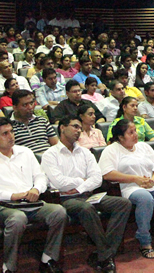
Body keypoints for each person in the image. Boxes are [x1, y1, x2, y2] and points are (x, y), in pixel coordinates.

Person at [0, 117, 67, 273]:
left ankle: (48, 259)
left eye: (12, 132)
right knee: (17, 218)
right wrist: (10, 195)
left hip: (31, 202)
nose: (11, 136)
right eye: (5, 133)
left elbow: (41, 176)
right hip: (3, 205)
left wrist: (36, 189)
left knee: (59, 212)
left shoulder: (25, 152)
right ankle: (9, 267)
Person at [41, 115, 130, 273]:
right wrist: (82, 180)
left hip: (86, 195)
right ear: (62, 128)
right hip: (65, 199)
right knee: (86, 208)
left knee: (123, 204)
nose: (78, 131)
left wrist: (80, 188)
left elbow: (97, 178)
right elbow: (58, 183)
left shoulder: (85, 152)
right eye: (75, 126)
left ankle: (103, 253)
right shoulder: (50, 154)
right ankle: (106, 256)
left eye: (80, 128)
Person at [100, 119, 154, 258]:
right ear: (121, 137)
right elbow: (107, 173)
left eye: (135, 131)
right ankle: (145, 242)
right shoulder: (111, 150)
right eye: (131, 132)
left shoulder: (143, 146)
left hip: (152, 184)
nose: (136, 134)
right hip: (130, 187)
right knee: (145, 198)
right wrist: (135, 179)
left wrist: (153, 180)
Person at [9, 89, 58, 154]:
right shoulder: (9, 127)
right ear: (15, 107)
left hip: (48, 157)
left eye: (31, 103)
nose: (30, 107)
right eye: (25, 105)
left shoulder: (42, 121)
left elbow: (56, 145)